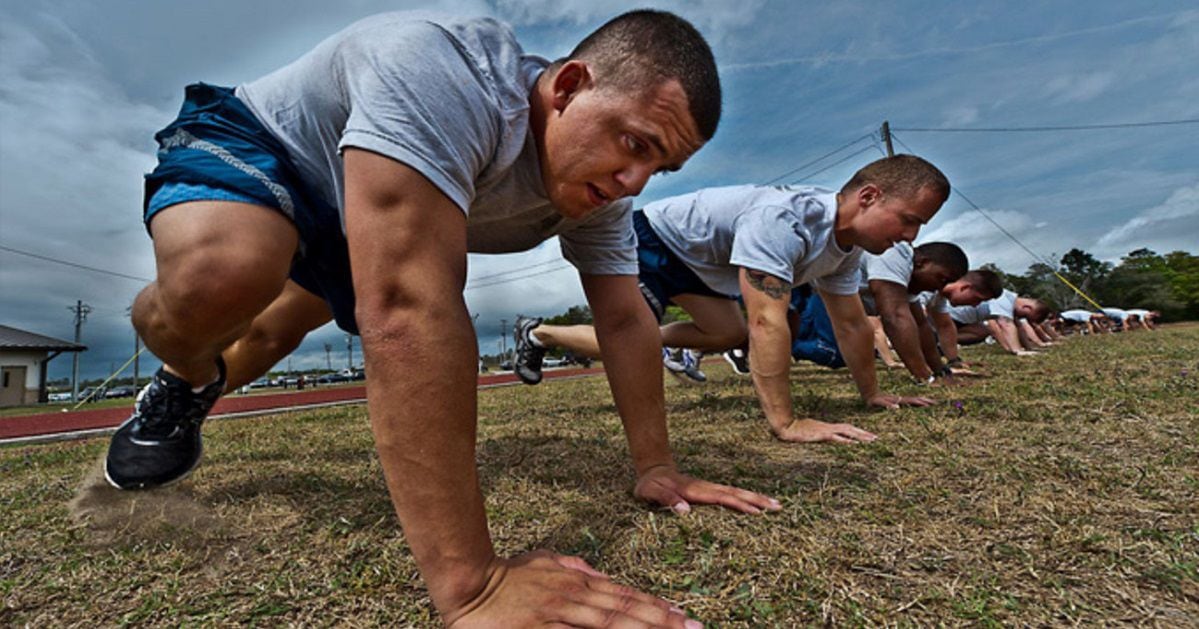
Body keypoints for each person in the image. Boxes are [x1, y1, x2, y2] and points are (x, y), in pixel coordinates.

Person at [103, 11, 779, 625]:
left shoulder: (602, 193)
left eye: (657, 168)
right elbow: (406, 308)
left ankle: (199, 382)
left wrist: (655, 463)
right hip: (268, 145)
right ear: (569, 85)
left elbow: (626, 320)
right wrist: (472, 584)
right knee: (223, 281)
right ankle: (180, 375)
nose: (634, 181)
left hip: (363, 208)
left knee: (273, 333)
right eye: (634, 142)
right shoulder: (448, 73)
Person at [516, 154, 949, 444]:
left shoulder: (846, 250)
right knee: (635, 342)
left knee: (726, 332)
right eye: (909, 220)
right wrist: (787, 423)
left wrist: (871, 394)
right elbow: (767, 323)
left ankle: (550, 334)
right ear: (869, 196)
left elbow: (851, 324)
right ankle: (540, 333)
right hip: (653, 239)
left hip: (697, 262)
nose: (910, 239)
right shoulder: (787, 221)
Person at [856, 241, 968, 383]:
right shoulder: (893, 253)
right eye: (942, 279)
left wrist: (940, 371)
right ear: (922, 262)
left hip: (829, 298)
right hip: (822, 293)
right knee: (832, 354)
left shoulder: (909, 280)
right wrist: (925, 377)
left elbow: (921, 325)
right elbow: (895, 316)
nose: (939, 288)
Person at [913, 270, 1004, 368]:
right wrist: (936, 368)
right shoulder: (926, 288)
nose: (974, 305)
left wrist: (954, 361)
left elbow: (945, 326)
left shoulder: (939, 296)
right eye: (977, 299)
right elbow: (908, 319)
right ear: (965, 288)